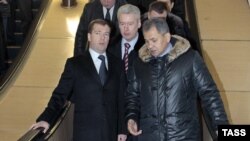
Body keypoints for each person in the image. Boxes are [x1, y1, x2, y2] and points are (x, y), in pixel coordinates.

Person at [125, 18, 229, 141]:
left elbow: (210, 94)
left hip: (183, 136)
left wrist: (222, 128)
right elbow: (132, 96)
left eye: (154, 40)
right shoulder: (139, 64)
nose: (150, 46)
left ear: (167, 37)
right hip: (149, 136)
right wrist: (131, 117)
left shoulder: (190, 59)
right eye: (147, 41)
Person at [30, 19, 127, 141]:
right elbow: (60, 95)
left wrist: (122, 130)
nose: (102, 38)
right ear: (89, 36)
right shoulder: (75, 64)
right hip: (85, 134)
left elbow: (121, 99)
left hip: (111, 133)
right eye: (98, 33)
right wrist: (46, 119)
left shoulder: (118, 64)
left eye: (106, 34)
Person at [108, 4, 144, 74]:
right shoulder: (109, 46)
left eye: (130, 24)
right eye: (122, 24)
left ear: (139, 23)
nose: (126, 28)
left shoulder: (147, 47)